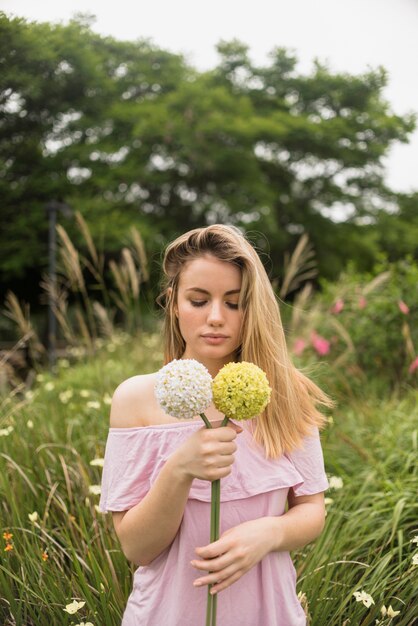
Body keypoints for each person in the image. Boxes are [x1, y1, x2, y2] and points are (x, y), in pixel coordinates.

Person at [99, 224, 332, 626]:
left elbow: (312, 509)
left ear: (254, 307)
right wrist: (180, 468)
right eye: (198, 300)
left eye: (235, 302)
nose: (215, 318)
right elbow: (137, 548)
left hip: (267, 613)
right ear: (173, 303)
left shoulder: (285, 393)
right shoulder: (135, 399)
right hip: (167, 615)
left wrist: (269, 535)